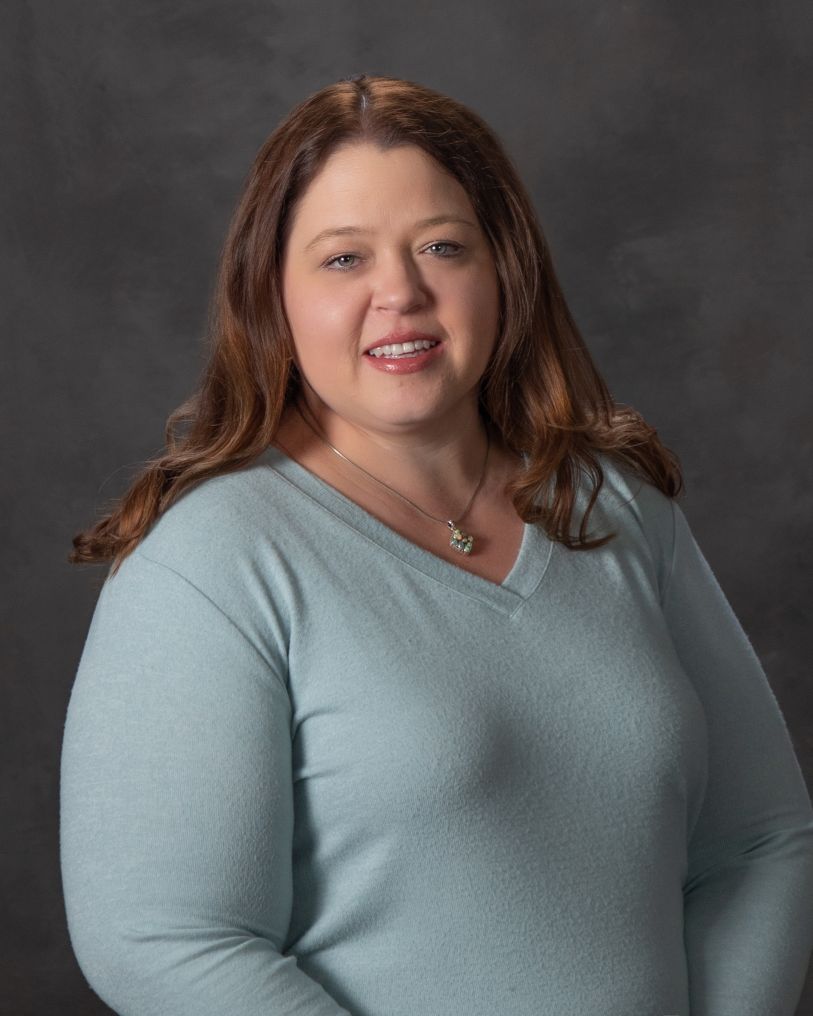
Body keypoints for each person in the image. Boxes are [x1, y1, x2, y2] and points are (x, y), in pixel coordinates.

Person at [60, 74, 813, 1016]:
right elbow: (163, 941)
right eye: (343, 260)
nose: (401, 293)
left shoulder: (614, 507)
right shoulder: (212, 562)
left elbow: (758, 840)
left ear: (504, 270)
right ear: (271, 294)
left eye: (441, 247)